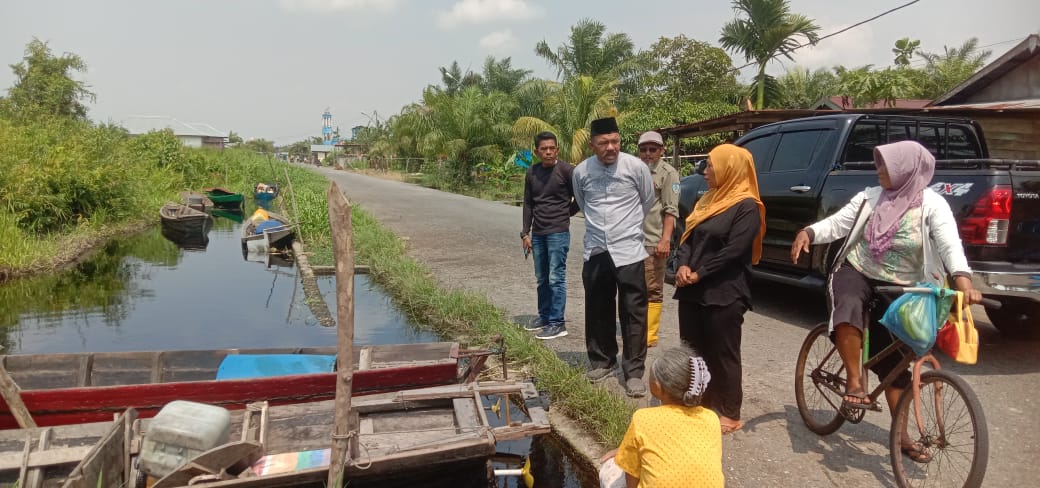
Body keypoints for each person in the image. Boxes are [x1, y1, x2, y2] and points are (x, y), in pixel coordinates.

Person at [791, 140, 982, 463]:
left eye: (887, 166)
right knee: (849, 306)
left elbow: (951, 246)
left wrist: (964, 284)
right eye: (879, 164)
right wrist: (808, 232)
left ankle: (902, 436)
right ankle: (854, 382)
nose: (879, 170)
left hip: (902, 285)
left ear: (908, 169)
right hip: (858, 271)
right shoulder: (870, 197)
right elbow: (837, 223)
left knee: (892, 362)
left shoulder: (933, 205)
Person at [673, 144, 765, 435]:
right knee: (693, 349)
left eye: (711, 165)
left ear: (730, 168)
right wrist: (683, 266)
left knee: (723, 352)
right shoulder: (707, 200)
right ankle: (700, 399)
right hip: (692, 288)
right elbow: (687, 237)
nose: (705, 171)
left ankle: (729, 410)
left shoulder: (747, 206)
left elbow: (735, 251)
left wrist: (700, 272)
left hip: (725, 290)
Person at [573, 117, 654, 397]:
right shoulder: (582, 171)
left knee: (633, 311)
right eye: (604, 143)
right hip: (596, 249)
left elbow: (647, 200)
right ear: (593, 145)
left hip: (629, 249)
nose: (611, 147)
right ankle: (602, 361)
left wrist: (625, 228)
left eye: (615, 141)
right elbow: (581, 203)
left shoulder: (636, 167)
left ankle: (633, 372)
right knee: (597, 308)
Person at [598, 345, 725, 488]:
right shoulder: (711, 418)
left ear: (657, 387)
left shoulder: (643, 418)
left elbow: (631, 470)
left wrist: (623, 454)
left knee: (610, 468)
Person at [521, 131, 579, 340]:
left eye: (551, 148)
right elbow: (528, 203)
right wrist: (525, 233)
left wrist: (565, 214)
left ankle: (557, 322)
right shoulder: (532, 172)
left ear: (557, 149)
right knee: (542, 278)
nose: (548, 152)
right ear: (536, 151)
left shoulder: (566, 171)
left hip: (558, 233)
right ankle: (544, 316)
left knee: (556, 278)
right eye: (543, 149)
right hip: (538, 233)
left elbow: (580, 199)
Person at [636, 131, 680, 348]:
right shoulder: (634, 170)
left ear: (661, 150)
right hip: (632, 240)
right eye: (643, 149)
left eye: (652, 149)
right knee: (634, 286)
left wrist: (665, 240)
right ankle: (636, 328)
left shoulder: (668, 174)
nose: (647, 153)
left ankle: (649, 335)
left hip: (653, 240)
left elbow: (671, 210)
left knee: (652, 288)